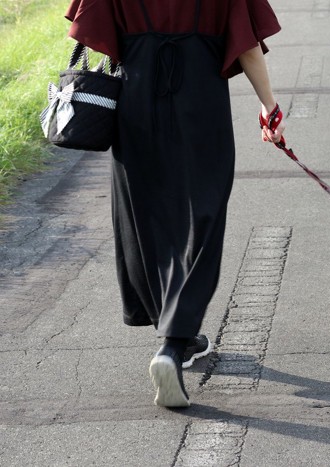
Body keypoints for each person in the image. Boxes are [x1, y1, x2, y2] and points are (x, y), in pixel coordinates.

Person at [65, 0, 286, 408]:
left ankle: (173, 330)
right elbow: (247, 45)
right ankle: (174, 340)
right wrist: (268, 105)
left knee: (144, 211)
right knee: (203, 212)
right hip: (201, 102)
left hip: (135, 97)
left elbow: (94, 37)